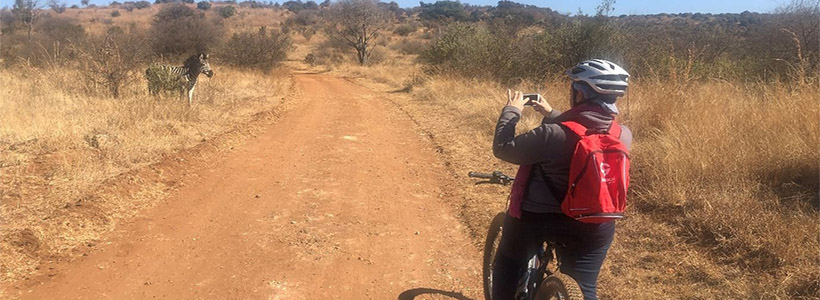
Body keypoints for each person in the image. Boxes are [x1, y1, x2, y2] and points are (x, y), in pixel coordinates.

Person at [491, 59, 633, 300]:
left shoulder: (551, 134)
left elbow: (504, 148)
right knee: (585, 286)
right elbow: (582, 131)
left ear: (578, 93)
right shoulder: (623, 134)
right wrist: (551, 113)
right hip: (595, 224)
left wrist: (512, 110)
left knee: (508, 261)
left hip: (539, 219)